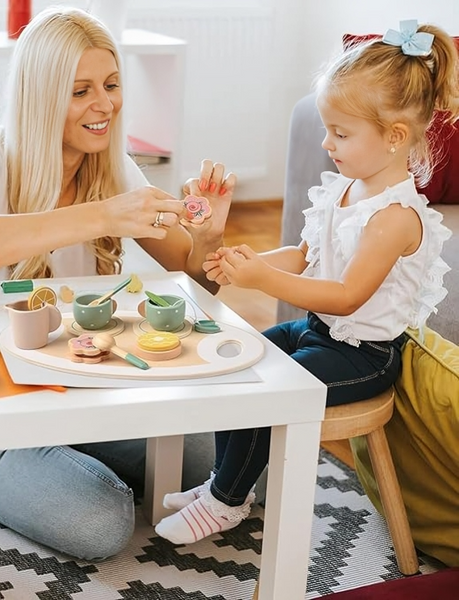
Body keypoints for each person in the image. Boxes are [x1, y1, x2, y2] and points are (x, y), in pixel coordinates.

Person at [0, 6, 236, 560]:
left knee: (206, 458)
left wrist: (209, 235)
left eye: (112, 85)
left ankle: (62, 463)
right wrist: (99, 216)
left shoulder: (111, 164)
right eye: (81, 91)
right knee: (101, 523)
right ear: (42, 96)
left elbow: (190, 271)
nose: (106, 105)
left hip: (83, 387)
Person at [154, 19, 458, 545]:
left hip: (365, 355)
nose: (326, 142)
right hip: (321, 333)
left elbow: (347, 296)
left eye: (341, 133)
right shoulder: (346, 189)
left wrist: (262, 279)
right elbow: (305, 254)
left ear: (394, 138)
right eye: (328, 129)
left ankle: (224, 505)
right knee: (236, 363)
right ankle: (225, 487)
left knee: (267, 391)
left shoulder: (395, 218)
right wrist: (240, 258)